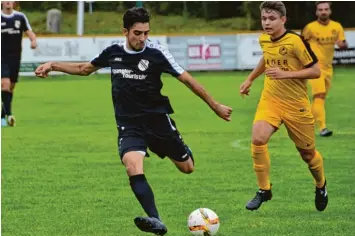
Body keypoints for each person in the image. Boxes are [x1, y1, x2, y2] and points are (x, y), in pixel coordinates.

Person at [35, 7, 232, 235]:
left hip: (157, 121)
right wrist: (53, 64)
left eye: (146, 33)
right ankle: (156, 220)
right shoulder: (113, 53)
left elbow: (188, 80)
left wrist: (215, 105)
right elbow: (84, 69)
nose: (143, 38)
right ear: (125, 31)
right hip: (129, 125)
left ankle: (182, 149)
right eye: (137, 33)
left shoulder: (157, 53)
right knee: (132, 166)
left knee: (187, 168)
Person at [240, 1, 328, 212]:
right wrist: (250, 79)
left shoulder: (296, 41)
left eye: (271, 19)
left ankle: (321, 185)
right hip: (270, 100)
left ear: (283, 20)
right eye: (264, 18)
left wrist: (286, 74)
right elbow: (267, 58)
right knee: (258, 139)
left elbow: (315, 71)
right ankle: (264, 190)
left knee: (308, 155)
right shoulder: (264, 40)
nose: (267, 23)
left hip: (296, 105)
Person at [301, 1, 348, 137]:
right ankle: (322, 128)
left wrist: (342, 44)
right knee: (319, 95)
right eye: (320, 9)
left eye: (326, 9)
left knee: (320, 99)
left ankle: (303, 122)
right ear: (316, 12)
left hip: (328, 68)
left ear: (330, 11)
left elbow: (342, 42)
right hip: (314, 67)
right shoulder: (310, 28)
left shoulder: (336, 26)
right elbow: (300, 44)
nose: (323, 12)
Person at [1, 1, 37, 127]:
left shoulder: (20, 17)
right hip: (2, 57)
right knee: (4, 84)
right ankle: (9, 114)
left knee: (11, 87)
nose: (7, 2)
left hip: (15, 57)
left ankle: (2, 116)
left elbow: (29, 31)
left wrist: (33, 41)